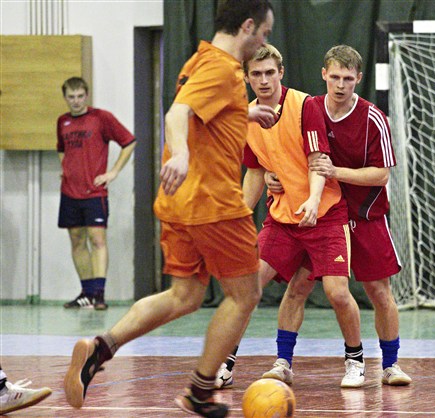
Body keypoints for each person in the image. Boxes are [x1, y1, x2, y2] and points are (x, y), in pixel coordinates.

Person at [63, 2, 275, 417]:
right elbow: (178, 113)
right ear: (248, 26)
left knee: (185, 294)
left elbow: (201, 111)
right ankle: (200, 392)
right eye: (264, 33)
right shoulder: (222, 68)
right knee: (246, 295)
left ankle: (100, 348)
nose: (264, 41)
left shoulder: (200, 59)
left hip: (180, 203)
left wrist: (242, 112)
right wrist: (179, 153)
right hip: (213, 202)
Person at [217, 44, 411, 389]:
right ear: (324, 75)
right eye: (335, 77)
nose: (340, 84)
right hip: (303, 215)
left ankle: (388, 364)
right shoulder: (309, 107)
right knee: (291, 288)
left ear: (358, 79)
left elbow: (380, 175)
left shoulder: (369, 118)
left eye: (347, 78)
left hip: (359, 213)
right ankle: (271, 362)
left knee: (375, 291)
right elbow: (271, 161)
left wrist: (330, 176)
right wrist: (269, 177)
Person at [237, 44, 365, 388]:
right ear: (247, 78)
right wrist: (241, 216)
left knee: (337, 293)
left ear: (281, 73)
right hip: (283, 220)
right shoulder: (247, 117)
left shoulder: (304, 106)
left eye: (269, 72)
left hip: (324, 216)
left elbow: (318, 160)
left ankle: (355, 360)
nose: (264, 80)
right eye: (256, 74)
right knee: (248, 288)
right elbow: (254, 171)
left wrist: (313, 199)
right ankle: (246, 363)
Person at [57, 76, 137, 310]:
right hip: (70, 192)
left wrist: (113, 172)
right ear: (65, 98)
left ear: (87, 95)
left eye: (80, 96)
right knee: (77, 240)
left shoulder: (101, 118)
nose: (76, 101)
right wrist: (65, 169)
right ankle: (87, 293)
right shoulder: (62, 121)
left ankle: (100, 294)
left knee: (97, 239)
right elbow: (61, 149)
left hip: (94, 193)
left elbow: (129, 142)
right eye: (71, 97)